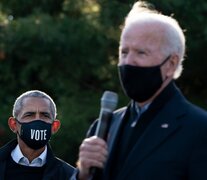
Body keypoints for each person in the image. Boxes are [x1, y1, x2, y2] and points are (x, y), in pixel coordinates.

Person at [72, 1, 207, 180]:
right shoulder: (104, 126)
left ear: (171, 64)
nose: (128, 62)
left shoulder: (199, 130)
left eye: (141, 53)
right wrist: (82, 174)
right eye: (124, 52)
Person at [0, 90, 75, 179]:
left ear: (55, 126)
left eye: (45, 115)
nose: (38, 120)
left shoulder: (69, 176)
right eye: (29, 115)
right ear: (13, 124)